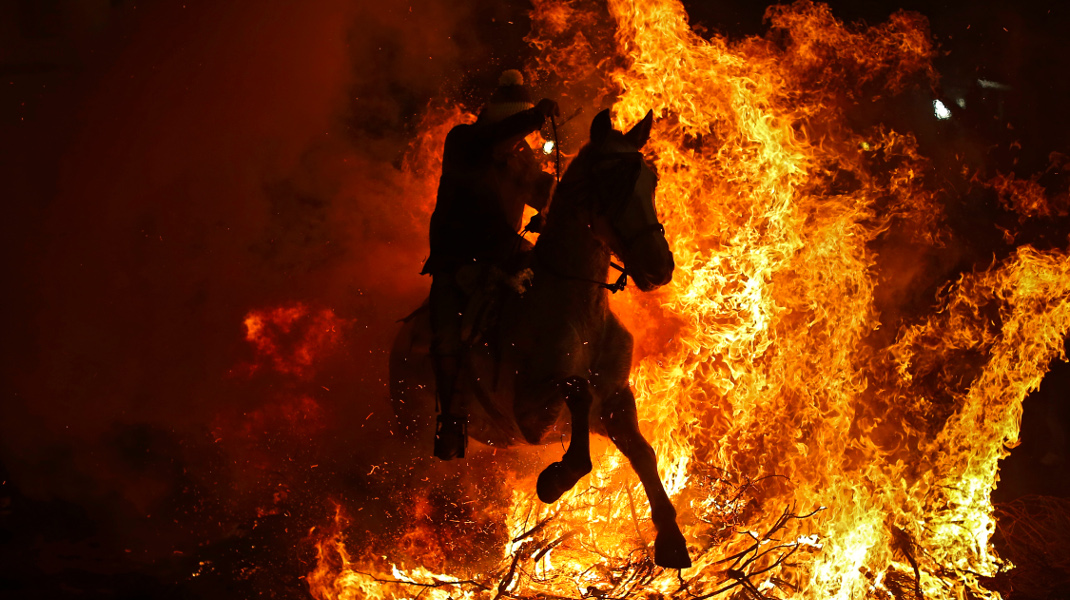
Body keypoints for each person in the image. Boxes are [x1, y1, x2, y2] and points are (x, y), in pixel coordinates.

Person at [422, 70, 559, 460]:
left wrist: (562, 200)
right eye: (517, 126)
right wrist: (534, 118)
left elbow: (541, 192)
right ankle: (451, 420)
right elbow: (491, 144)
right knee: (448, 335)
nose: (522, 139)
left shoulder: (520, 155)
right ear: (499, 118)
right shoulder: (465, 141)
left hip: (507, 254)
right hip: (458, 259)